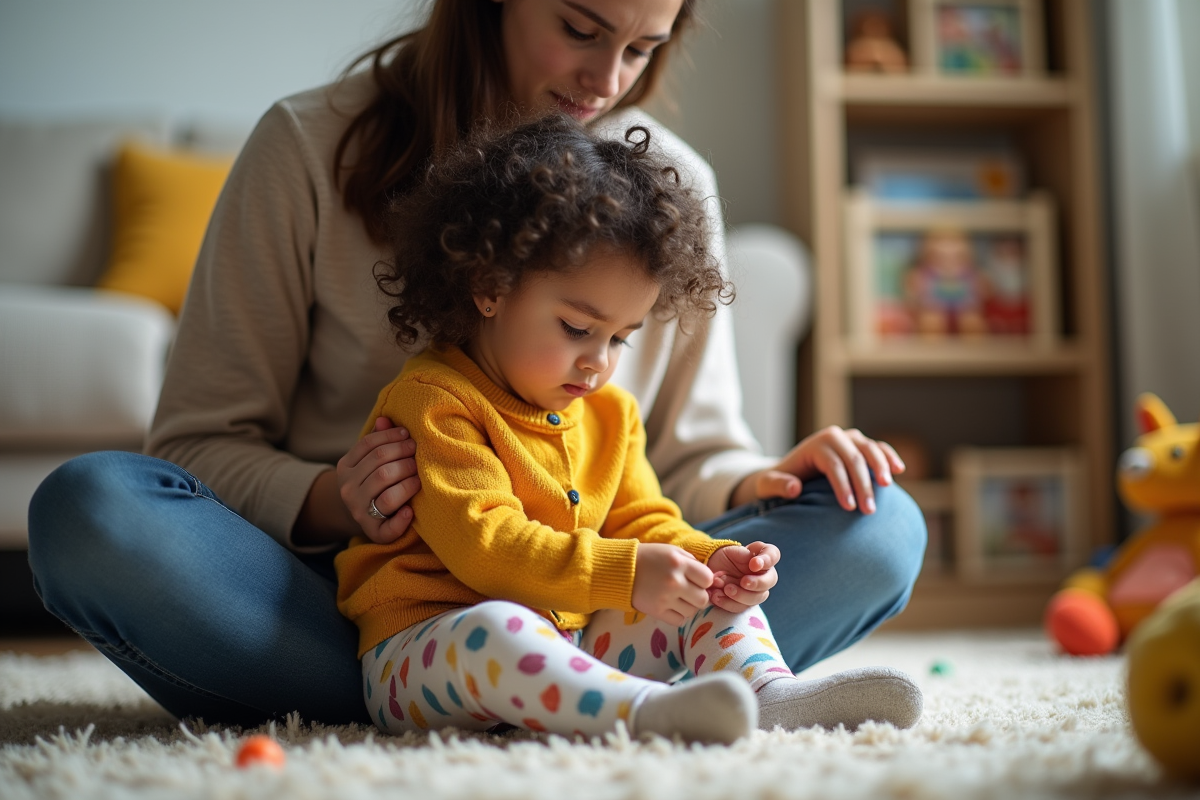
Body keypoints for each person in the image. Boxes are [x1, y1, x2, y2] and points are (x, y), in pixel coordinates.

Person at [27, 0, 927, 729]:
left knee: (880, 526)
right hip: (356, 603)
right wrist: (337, 498)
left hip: (590, 600)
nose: (606, 81)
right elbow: (194, 447)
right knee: (92, 508)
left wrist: (766, 482)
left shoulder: (668, 187)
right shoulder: (305, 147)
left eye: (643, 48)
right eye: (580, 29)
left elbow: (679, 468)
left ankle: (605, 694)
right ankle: (487, 690)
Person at [337, 113, 922, 742]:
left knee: (707, 596)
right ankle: (641, 713)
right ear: (489, 288)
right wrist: (628, 573)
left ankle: (766, 694)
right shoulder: (435, 400)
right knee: (502, 630)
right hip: (426, 650)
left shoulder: (611, 412)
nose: (599, 361)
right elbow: (492, 550)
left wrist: (712, 560)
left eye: (620, 337)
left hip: (572, 635)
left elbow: (646, 521)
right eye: (576, 329)